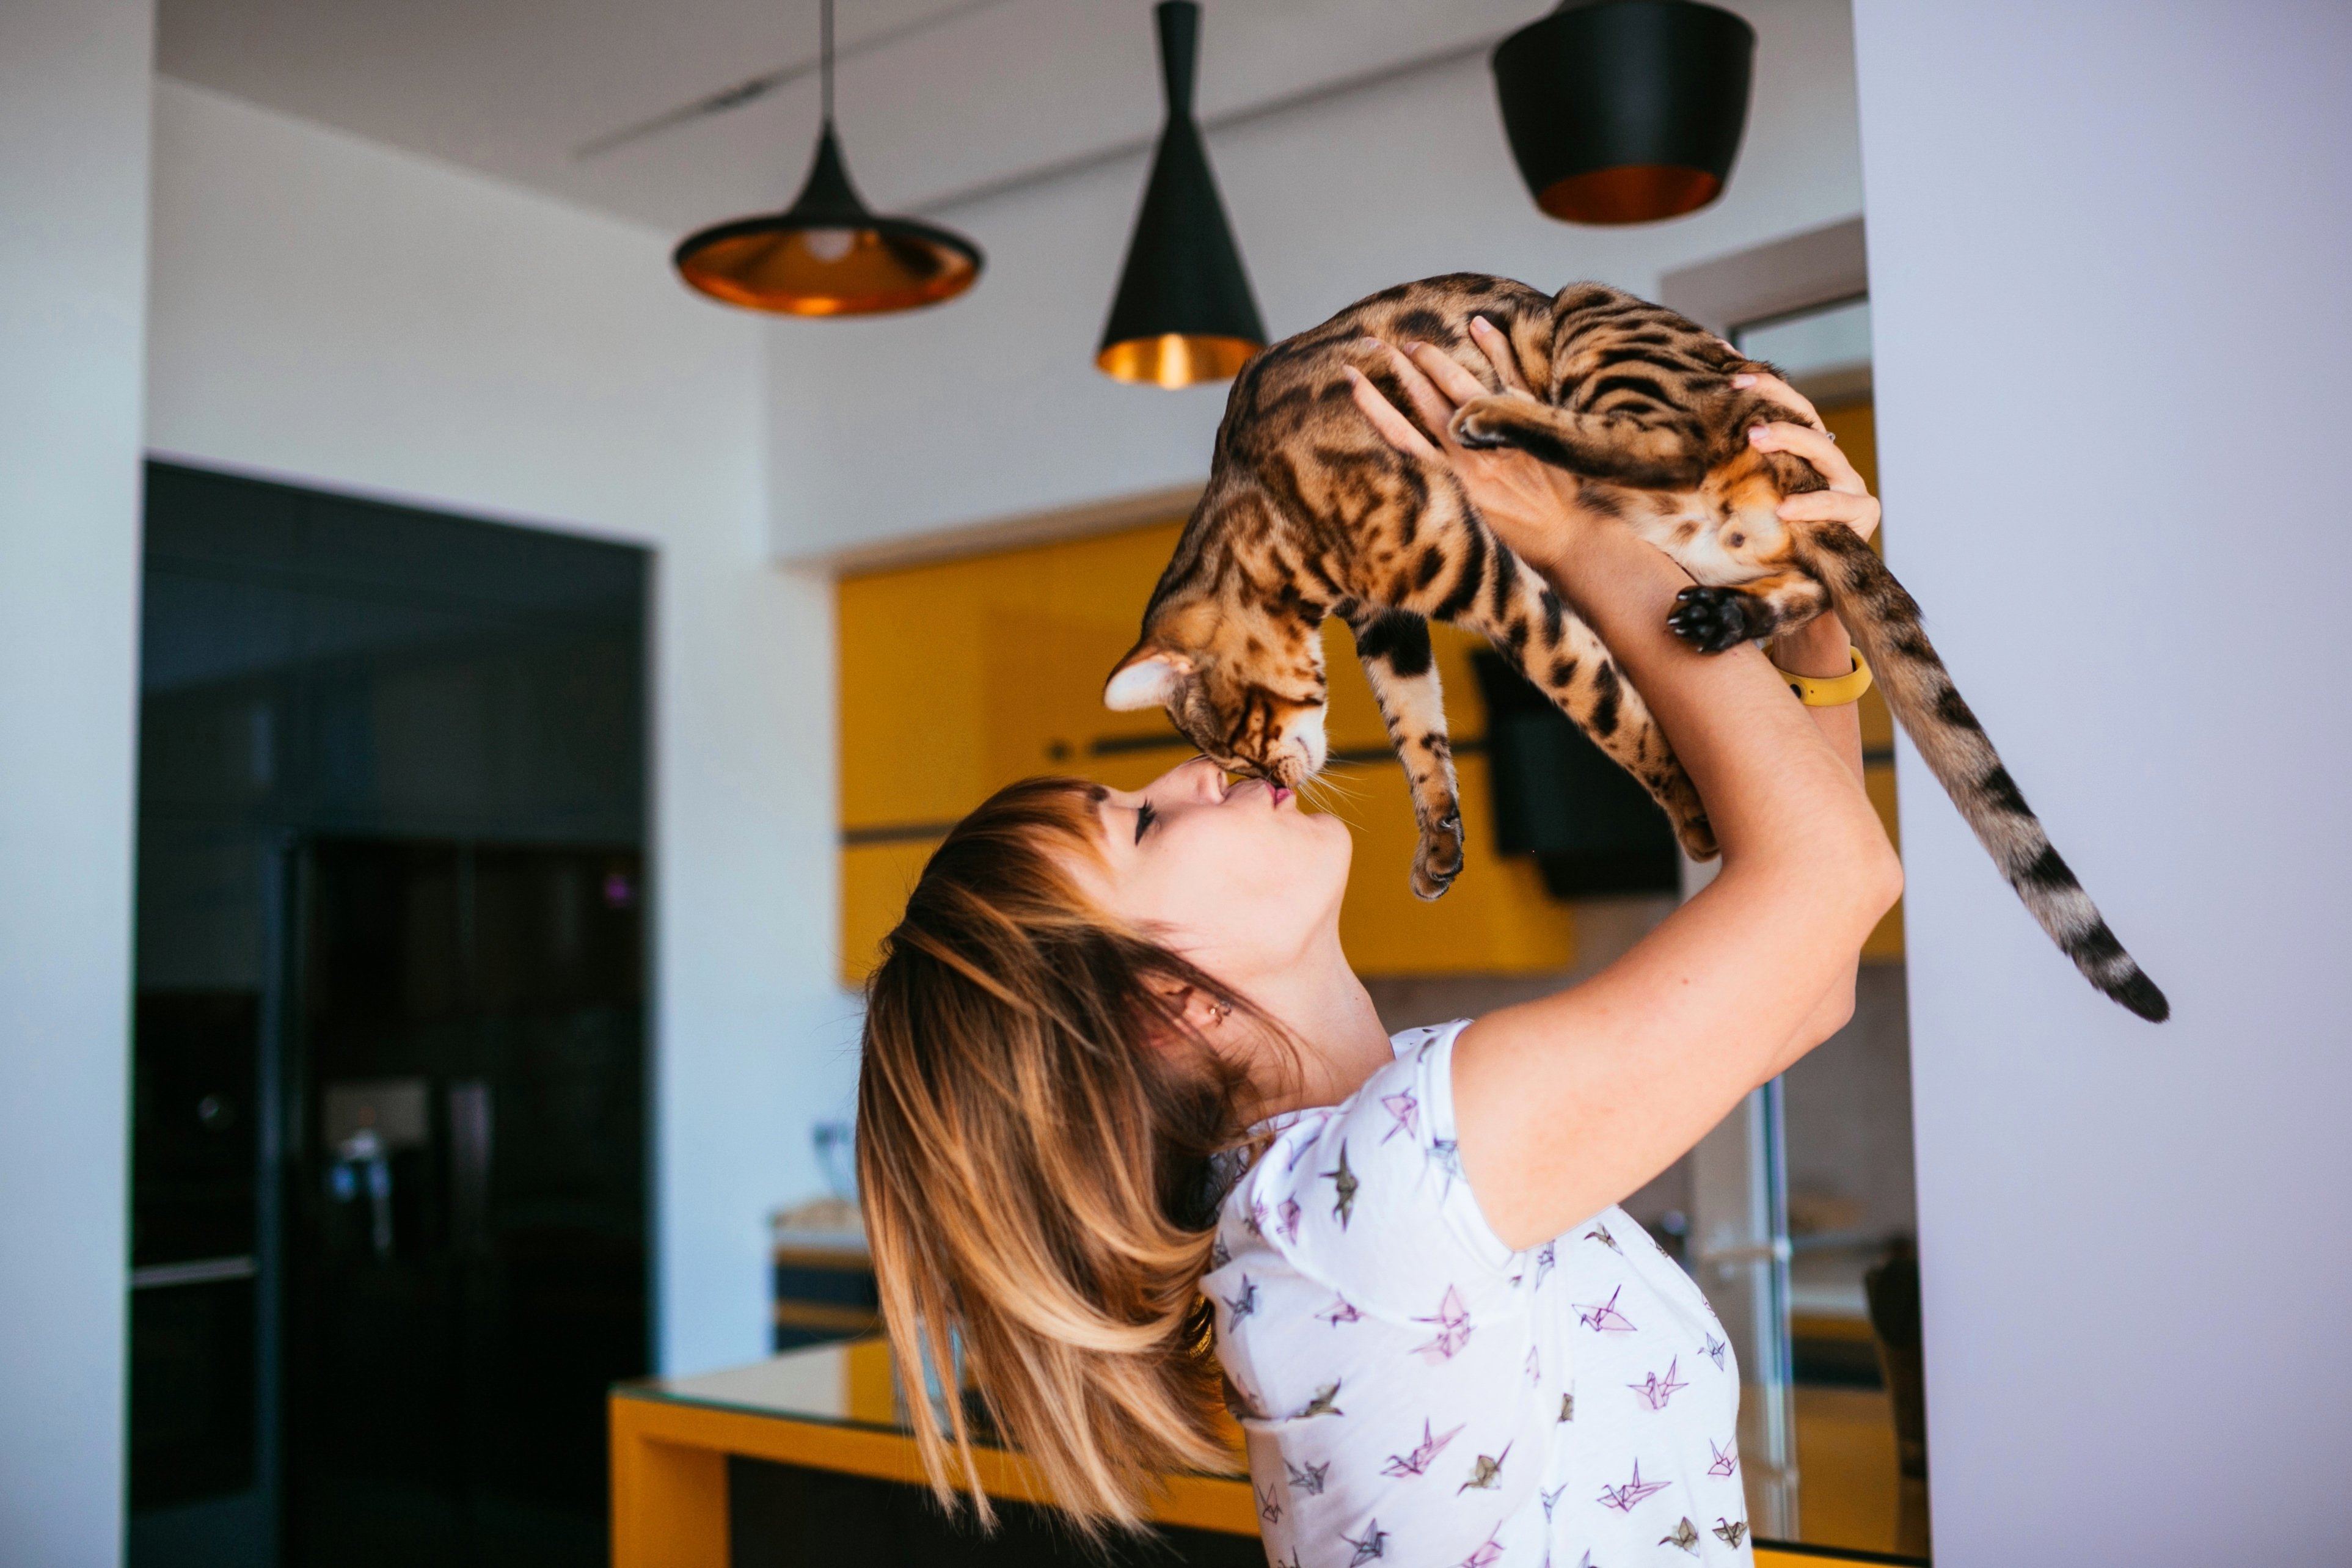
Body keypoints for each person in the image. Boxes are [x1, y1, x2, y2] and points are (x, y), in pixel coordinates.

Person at [855, 324, 1899, 1566]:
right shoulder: (1386, 1192)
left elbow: (1808, 982)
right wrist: (1573, 536)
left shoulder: (1355, 1182)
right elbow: (1828, 885)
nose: (1195, 770)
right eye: (1136, 826)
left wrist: (1803, 640)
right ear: (1160, 1010)